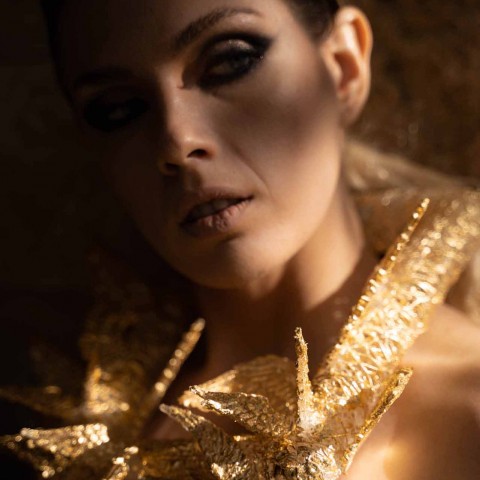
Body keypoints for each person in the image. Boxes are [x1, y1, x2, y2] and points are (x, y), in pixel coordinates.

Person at [2, 1, 480, 479]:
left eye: (230, 61)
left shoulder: (467, 411)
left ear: (343, 66)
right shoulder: (81, 432)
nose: (176, 142)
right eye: (118, 109)